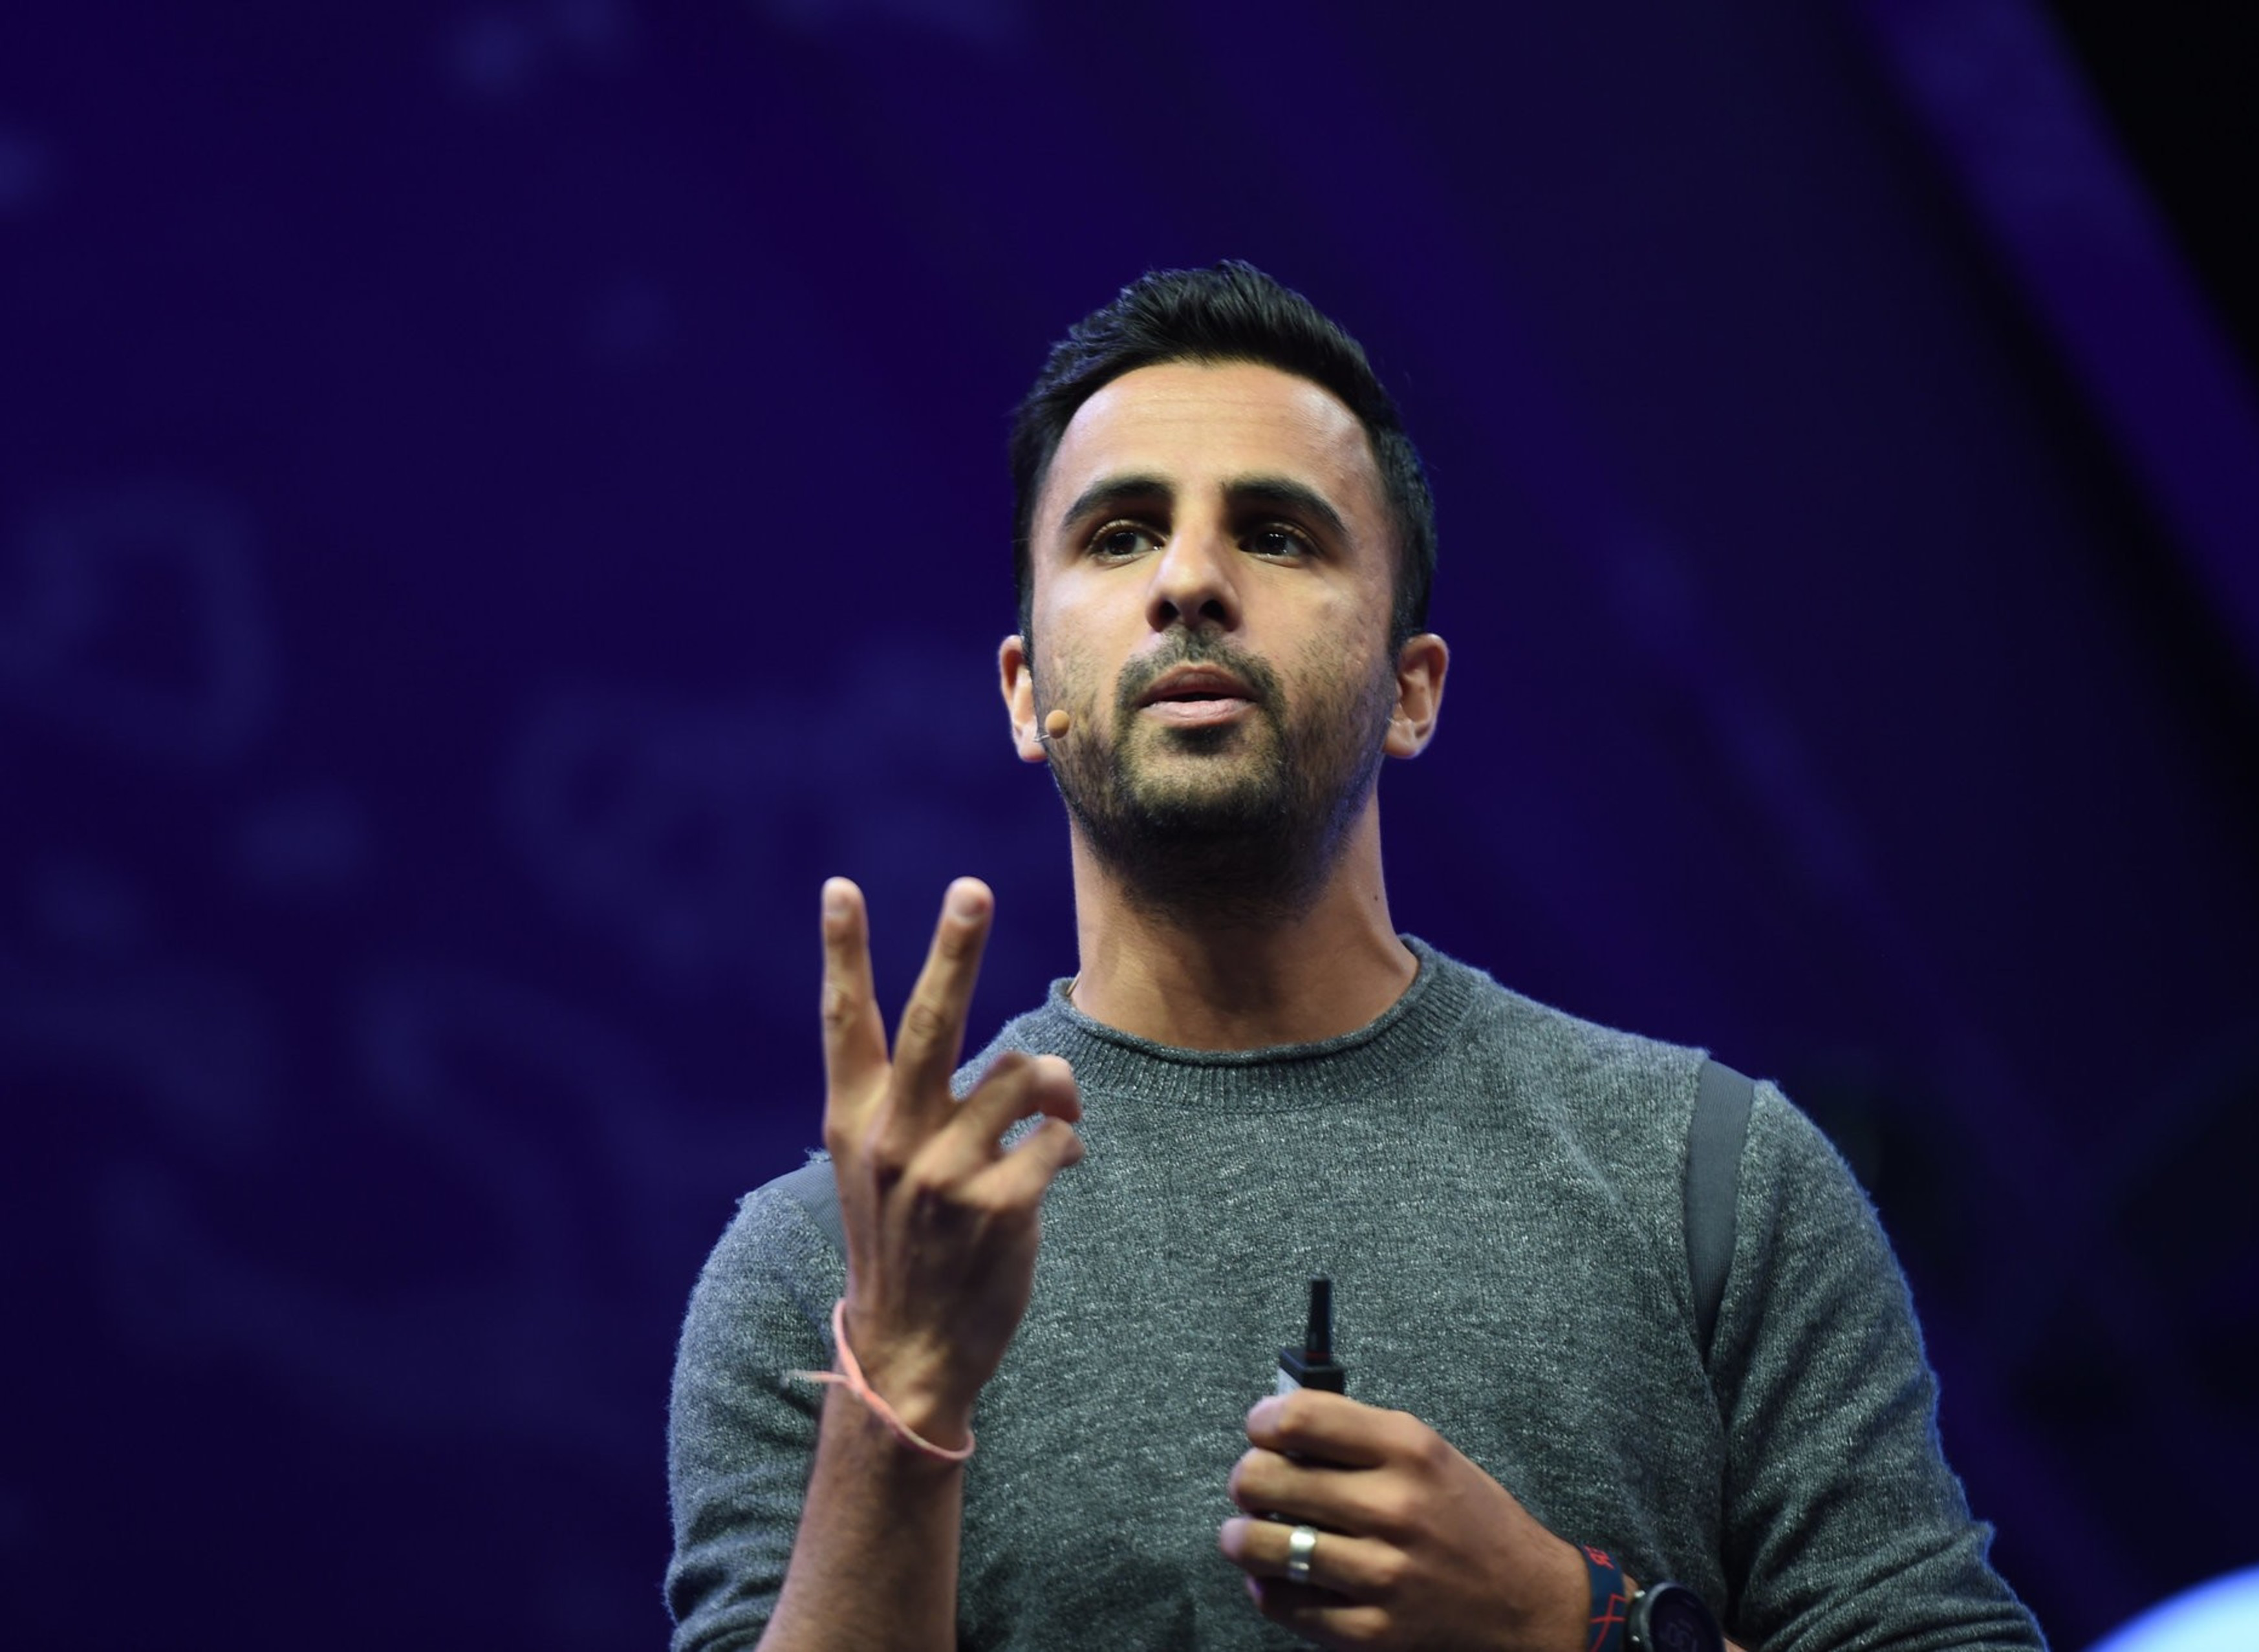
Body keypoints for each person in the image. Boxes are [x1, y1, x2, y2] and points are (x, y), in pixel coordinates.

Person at [666, 262, 2047, 1652]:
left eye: (1275, 535)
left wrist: (1573, 1622)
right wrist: (897, 1385)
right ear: (1029, 694)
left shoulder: (1715, 1179)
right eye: (1121, 535)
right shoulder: (820, 1272)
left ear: (1412, 689)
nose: (1192, 580)